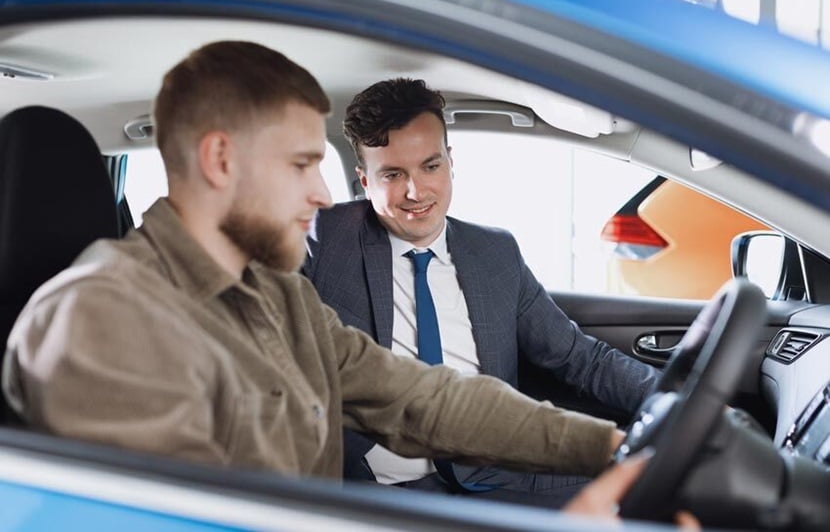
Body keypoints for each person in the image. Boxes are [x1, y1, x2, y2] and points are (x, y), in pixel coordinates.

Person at [0, 40, 691, 526]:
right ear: (220, 160)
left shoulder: (278, 299)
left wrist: (612, 446)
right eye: (304, 163)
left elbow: (422, 398)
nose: (326, 195)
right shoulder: (100, 315)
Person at [303, 78, 660, 506]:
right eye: (393, 175)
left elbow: (578, 358)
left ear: (451, 162)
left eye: (430, 166)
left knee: (657, 494)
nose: (416, 192)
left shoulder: (496, 253)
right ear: (364, 179)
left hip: (494, 476)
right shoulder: (324, 239)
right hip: (378, 492)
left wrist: (673, 399)